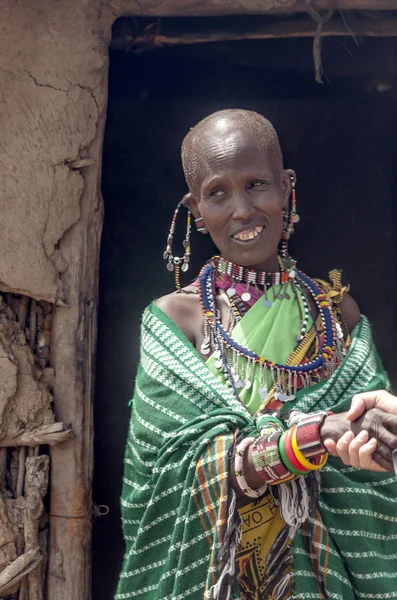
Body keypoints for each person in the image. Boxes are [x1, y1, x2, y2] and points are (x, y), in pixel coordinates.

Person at [116, 110, 397, 600]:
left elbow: (378, 479)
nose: (242, 209)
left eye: (256, 185)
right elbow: (163, 479)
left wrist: (368, 438)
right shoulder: (174, 321)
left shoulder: (336, 317)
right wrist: (315, 435)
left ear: (288, 189)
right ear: (196, 211)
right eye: (218, 192)